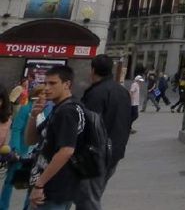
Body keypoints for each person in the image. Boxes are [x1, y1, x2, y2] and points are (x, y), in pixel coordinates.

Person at [76, 54, 132, 210]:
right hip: (114, 152)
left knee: (88, 200)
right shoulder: (122, 92)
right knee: (94, 194)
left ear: (92, 70)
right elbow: (131, 118)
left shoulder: (96, 93)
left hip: (95, 154)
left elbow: (87, 125)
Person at [26, 64, 84, 210]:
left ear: (67, 85)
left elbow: (66, 150)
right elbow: (31, 140)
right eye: (45, 83)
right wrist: (34, 116)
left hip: (53, 190)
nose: (46, 88)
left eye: (52, 83)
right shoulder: (59, 109)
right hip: (50, 187)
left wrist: (40, 185)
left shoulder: (67, 112)